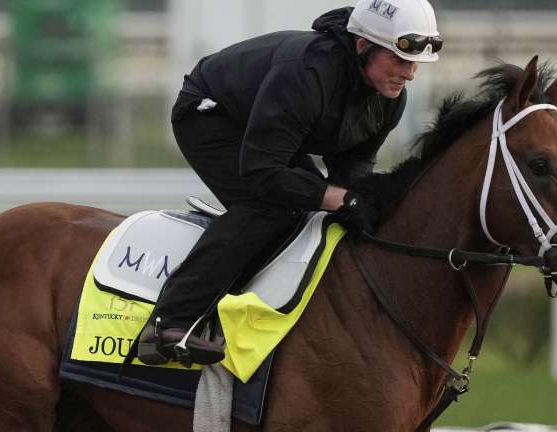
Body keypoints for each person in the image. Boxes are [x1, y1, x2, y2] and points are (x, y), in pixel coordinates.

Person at [136, 0, 443, 367]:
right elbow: (263, 172)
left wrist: (357, 202)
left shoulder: (389, 99)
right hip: (211, 115)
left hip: (265, 130)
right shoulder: (308, 73)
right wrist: (339, 198)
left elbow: (354, 168)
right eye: (399, 60)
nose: (409, 74)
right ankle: (168, 324)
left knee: (325, 212)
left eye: (414, 64)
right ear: (363, 46)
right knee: (272, 208)